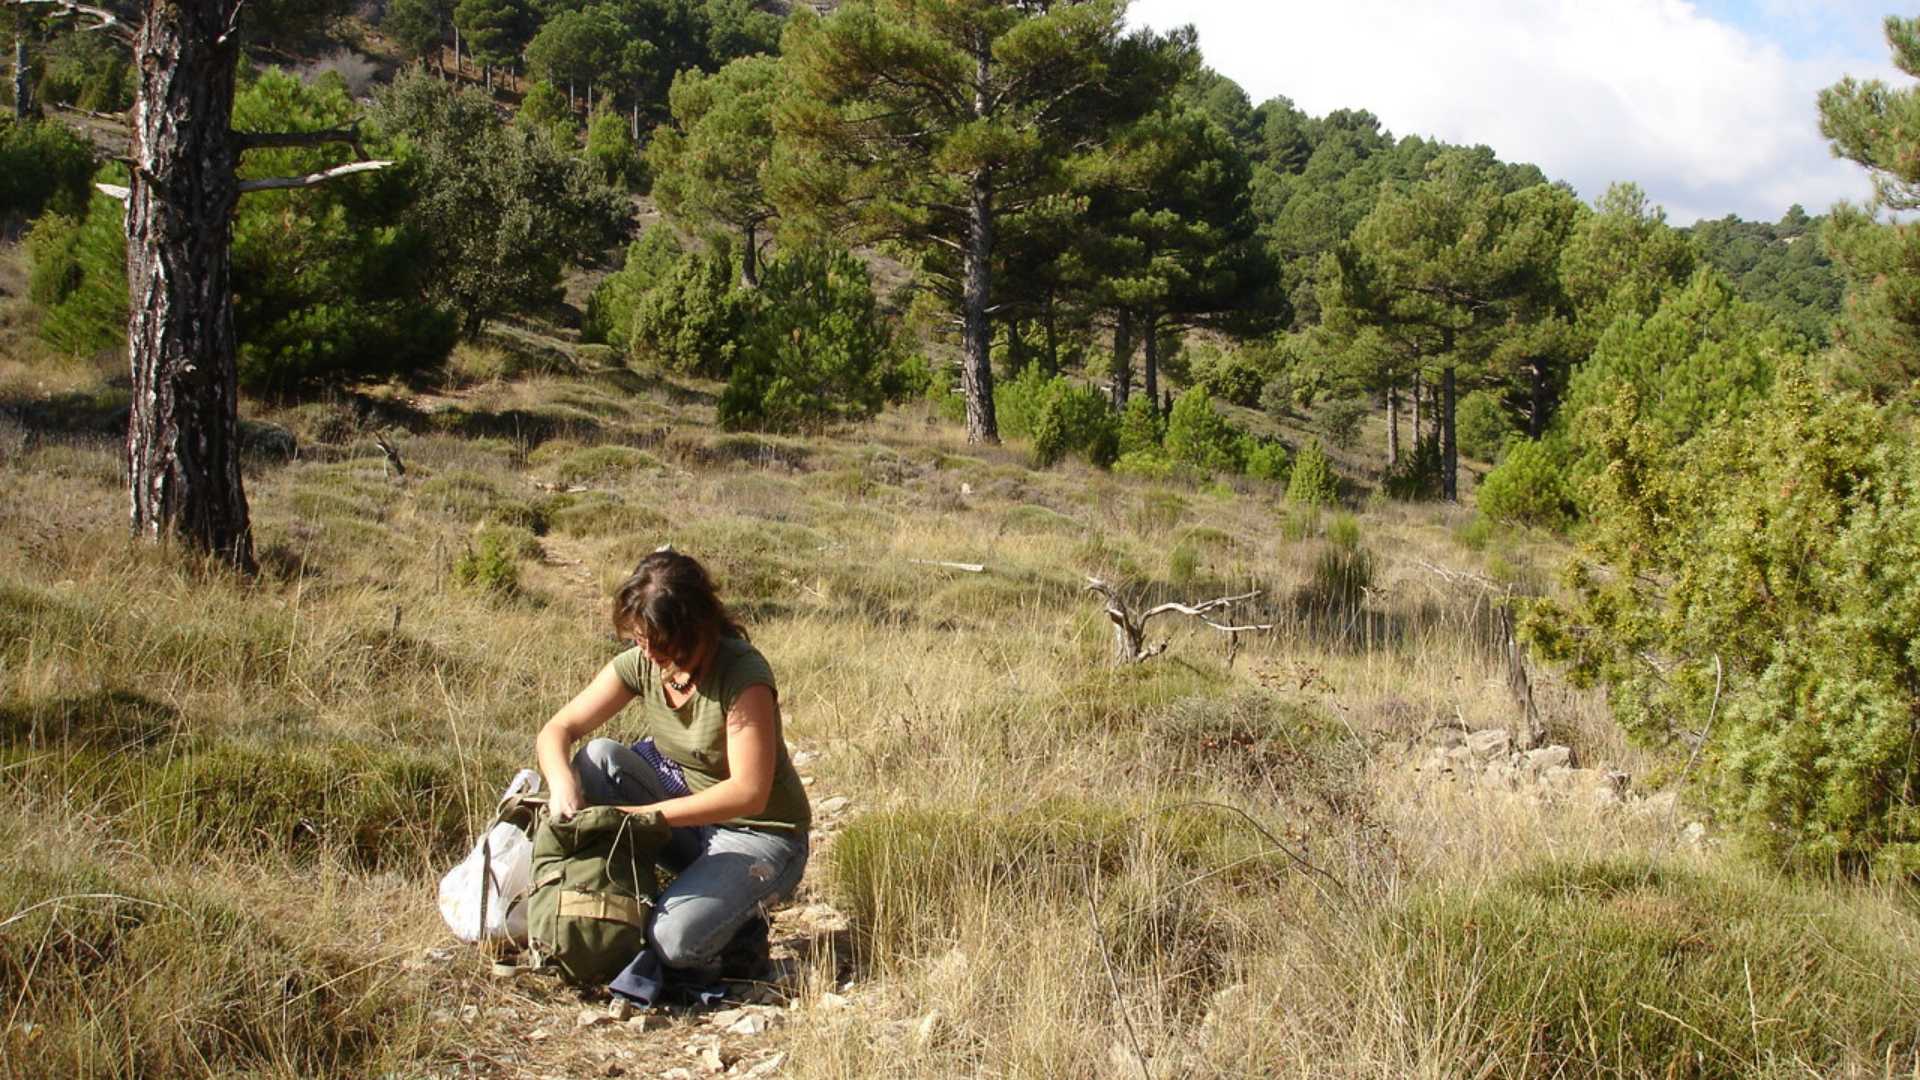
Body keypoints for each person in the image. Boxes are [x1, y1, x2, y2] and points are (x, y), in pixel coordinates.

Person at [536, 549, 810, 985]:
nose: (648, 653)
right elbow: (559, 728)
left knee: (673, 942)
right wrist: (561, 785)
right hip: (696, 820)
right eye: (639, 639)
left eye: (659, 643)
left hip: (762, 834)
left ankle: (739, 928)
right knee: (597, 759)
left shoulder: (742, 675)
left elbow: (749, 793)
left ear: (696, 628)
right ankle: (628, 892)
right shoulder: (642, 662)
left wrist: (636, 818)